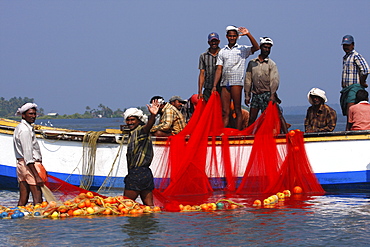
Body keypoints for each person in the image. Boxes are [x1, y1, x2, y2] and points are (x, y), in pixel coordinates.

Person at [212, 25, 259, 130]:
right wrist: (215, 85)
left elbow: (256, 47)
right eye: (230, 36)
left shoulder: (242, 49)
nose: (232, 38)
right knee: (225, 111)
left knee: (237, 109)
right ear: (227, 36)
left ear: (237, 37)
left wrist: (248, 34)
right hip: (225, 82)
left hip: (236, 82)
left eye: (234, 36)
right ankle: (223, 132)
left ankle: (238, 132)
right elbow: (219, 68)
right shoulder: (222, 51)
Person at [123, 100, 160, 206]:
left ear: (139, 120)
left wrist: (153, 116)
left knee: (125, 206)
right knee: (149, 208)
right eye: (128, 120)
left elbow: (148, 126)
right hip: (146, 175)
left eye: (132, 120)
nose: (130, 122)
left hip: (137, 174)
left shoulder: (140, 131)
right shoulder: (132, 133)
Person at [13, 103, 44, 206]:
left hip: (21, 165)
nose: (33, 116)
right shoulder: (25, 131)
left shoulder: (19, 127)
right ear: (23, 115)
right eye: (30, 114)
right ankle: (36, 220)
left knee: (23, 198)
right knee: (38, 198)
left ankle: (21, 221)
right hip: (28, 166)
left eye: (34, 114)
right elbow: (28, 156)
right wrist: (37, 176)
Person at [244, 37, 280, 125]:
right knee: (252, 118)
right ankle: (250, 136)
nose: (267, 50)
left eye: (269, 48)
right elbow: (248, 80)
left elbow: (274, 80)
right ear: (260, 47)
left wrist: (272, 95)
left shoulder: (271, 64)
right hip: (255, 94)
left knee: (268, 118)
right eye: (265, 47)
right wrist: (247, 95)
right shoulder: (252, 63)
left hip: (266, 94)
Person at [339, 35, 369, 130]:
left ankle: (348, 129)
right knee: (347, 109)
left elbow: (365, 70)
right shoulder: (346, 57)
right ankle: (351, 128)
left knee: (350, 107)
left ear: (353, 45)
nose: (346, 47)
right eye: (344, 45)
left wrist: (362, 82)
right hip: (346, 88)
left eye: (348, 45)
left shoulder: (356, 56)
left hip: (354, 86)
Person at [198, 32, 221, 101]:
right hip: (208, 87)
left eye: (215, 41)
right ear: (208, 42)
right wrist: (200, 91)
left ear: (219, 42)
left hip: (221, 87)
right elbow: (202, 73)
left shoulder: (223, 53)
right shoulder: (203, 56)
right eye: (212, 41)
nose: (214, 43)